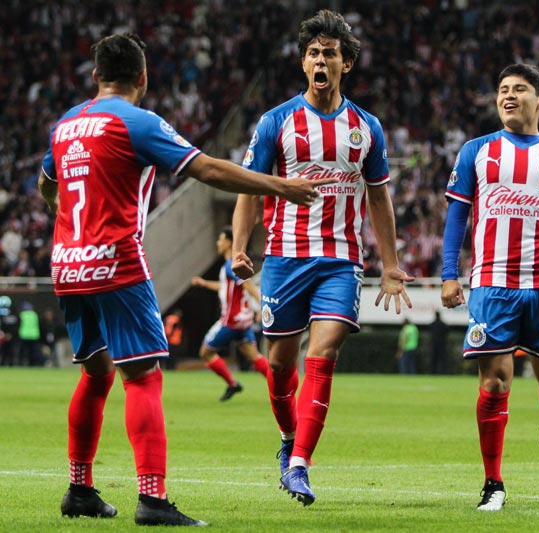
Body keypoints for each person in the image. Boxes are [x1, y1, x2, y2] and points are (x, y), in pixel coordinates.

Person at [38, 32, 332, 526]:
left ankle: (80, 488)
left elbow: (49, 186)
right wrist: (280, 185)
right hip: (115, 261)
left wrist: (68, 221)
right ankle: (152, 499)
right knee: (144, 378)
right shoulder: (136, 121)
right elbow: (211, 170)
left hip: (67, 263)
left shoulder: (66, 124)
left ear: (95, 77)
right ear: (143, 78)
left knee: (96, 373)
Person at [230, 10, 413, 507]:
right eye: (313, 52)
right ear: (303, 62)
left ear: (345, 63)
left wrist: (390, 264)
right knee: (280, 363)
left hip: (340, 261)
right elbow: (248, 190)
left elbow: (379, 198)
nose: (320, 59)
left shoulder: (366, 127)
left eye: (329, 53)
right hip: (285, 260)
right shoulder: (276, 122)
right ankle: (290, 440)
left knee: (324, 352)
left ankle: (299, 463)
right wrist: (242, 247)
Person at [440, 63, 539, 511]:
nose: (509, 96)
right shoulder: (476, 151)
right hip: (491, 286)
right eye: (503, 89)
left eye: (520, 90)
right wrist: (450, 273)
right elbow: (457, 216)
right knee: (493, 385)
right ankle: (493, 483)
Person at [191, 226, 271, 401]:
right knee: (254, 356)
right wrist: (204, 283)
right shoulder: (230, 266)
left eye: (220, 239)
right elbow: (226, 287)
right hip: (243, 320)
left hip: (231, 320)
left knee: (205, 352)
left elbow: (249, 286)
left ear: (228, 242)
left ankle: (232, 384)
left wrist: (263, 306)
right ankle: (280, 388)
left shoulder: (231, 265)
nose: (218, 243)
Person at [429, 310, 449, 375]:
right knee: (443, 359)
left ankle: (433, 372)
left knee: (434, 359)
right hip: (442, 344)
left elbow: (431, 334)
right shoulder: (443, 324)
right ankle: (443, 372)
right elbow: (447, 332)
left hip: (434, 344)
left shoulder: (432, 324)